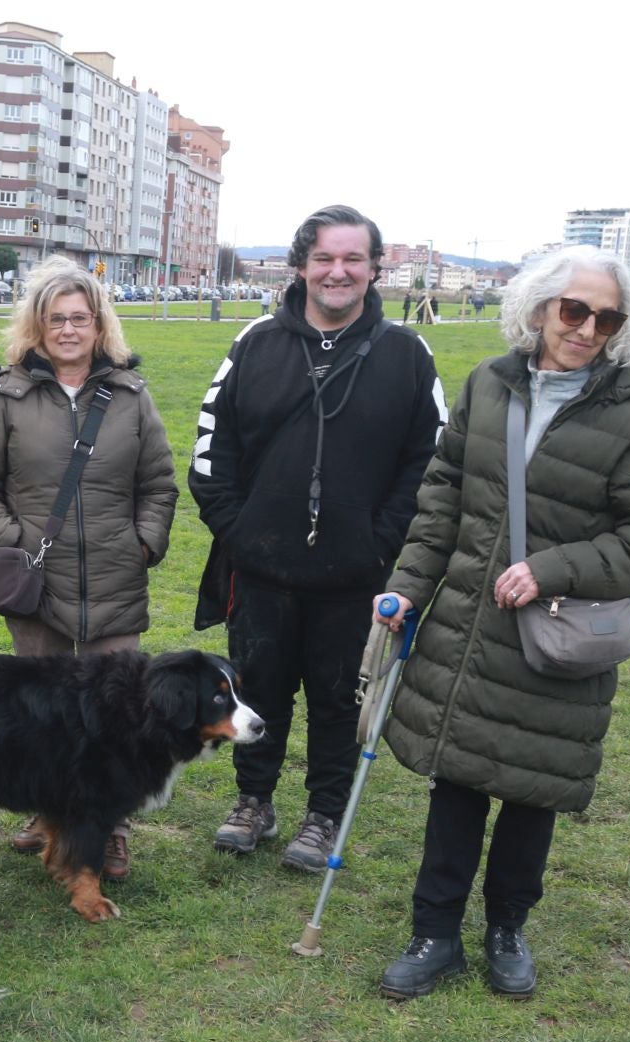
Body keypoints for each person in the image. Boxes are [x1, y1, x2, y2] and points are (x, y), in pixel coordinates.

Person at [371, 244, 630, 1000]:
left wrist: (553, 568)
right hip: (466, 628)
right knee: (456, 782)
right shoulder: (488, 385)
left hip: (556, 635)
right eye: (573, 310)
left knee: (531, 789)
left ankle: (507, 930)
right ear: (541, 306)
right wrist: (407, 587)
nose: (585, 329)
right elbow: (442, 499)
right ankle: (434, 934)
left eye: (605, 318)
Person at [188, 205, 444, 873]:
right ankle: (253, 802)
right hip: (262, 570)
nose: (338, 271)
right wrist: (243, 535)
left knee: (338, 701)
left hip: (356, 577)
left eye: (352, 259)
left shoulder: (407, 355)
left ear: (374, 269)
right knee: (258, 691)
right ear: (301, 265)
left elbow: (431, 463)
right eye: (325, 258)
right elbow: (211, 452)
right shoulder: (255, 344)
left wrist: (379, 542)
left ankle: (324, 816)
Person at [0, 258, 178, 880]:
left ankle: (110, 830)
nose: (69, 329)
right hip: (37, 577)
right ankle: (47, 813)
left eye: (80, 318)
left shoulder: (132, 397)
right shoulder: (8, 395)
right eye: (56, 319)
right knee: (39, 710)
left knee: (118, 717)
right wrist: (11, 539)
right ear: (37, 326)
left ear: (99, 324)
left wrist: (142, 544)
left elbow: (159, 483)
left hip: (115, 576)